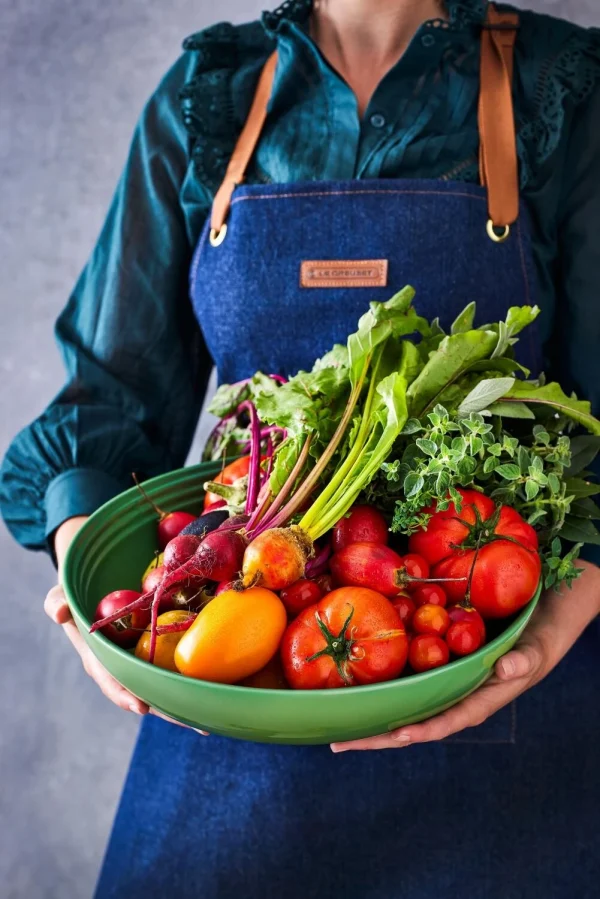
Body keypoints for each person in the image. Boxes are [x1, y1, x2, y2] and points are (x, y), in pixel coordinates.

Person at [2, 1, 600, 896]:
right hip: (229, 687)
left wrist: (563, 613)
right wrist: (97, 581)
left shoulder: (559, 87)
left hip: (492, 672)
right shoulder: (212, 96)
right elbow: (107, 405)